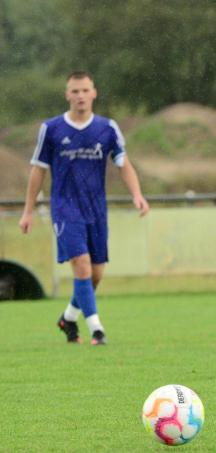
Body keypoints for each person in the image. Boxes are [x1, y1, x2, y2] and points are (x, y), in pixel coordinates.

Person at [18, 71, 149, 345]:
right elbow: (38, 171)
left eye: (84, 90)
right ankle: (97, 330)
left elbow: (123, 164)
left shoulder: (107, 128)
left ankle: (68, 318)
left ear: (94, 93)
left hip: (96, 208)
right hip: (65, 207)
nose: (80, 96)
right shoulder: (52, 129)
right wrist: (28, 210)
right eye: (74, 91)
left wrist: (137, 195)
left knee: (95, 273)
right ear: (67, 94)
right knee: (81, 264)